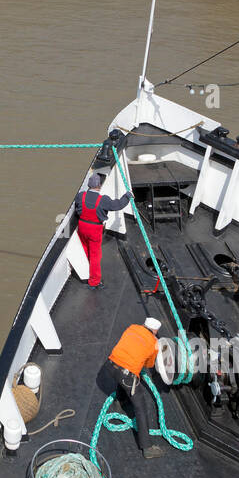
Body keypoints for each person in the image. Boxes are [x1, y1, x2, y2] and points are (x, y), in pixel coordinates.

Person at [108, 317, 166, 458]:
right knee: (140, 407)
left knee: (123, 379)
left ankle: (119, 402)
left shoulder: (132, 327)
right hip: (126, 374)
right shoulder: (154, 343)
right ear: (155, 330)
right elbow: (149, 364)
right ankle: (147, 448)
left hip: (110, 366)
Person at [75, 173, 132, 289]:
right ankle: (94, 282)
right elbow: (118, 205)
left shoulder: (81, 196)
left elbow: (78, 207)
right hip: (95, 229)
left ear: (89, 185)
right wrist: (128, 196)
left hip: (82, 227)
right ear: (99, 186)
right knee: (95, 255)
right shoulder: (103, 200)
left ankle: (85, 271)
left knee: (85, 249)